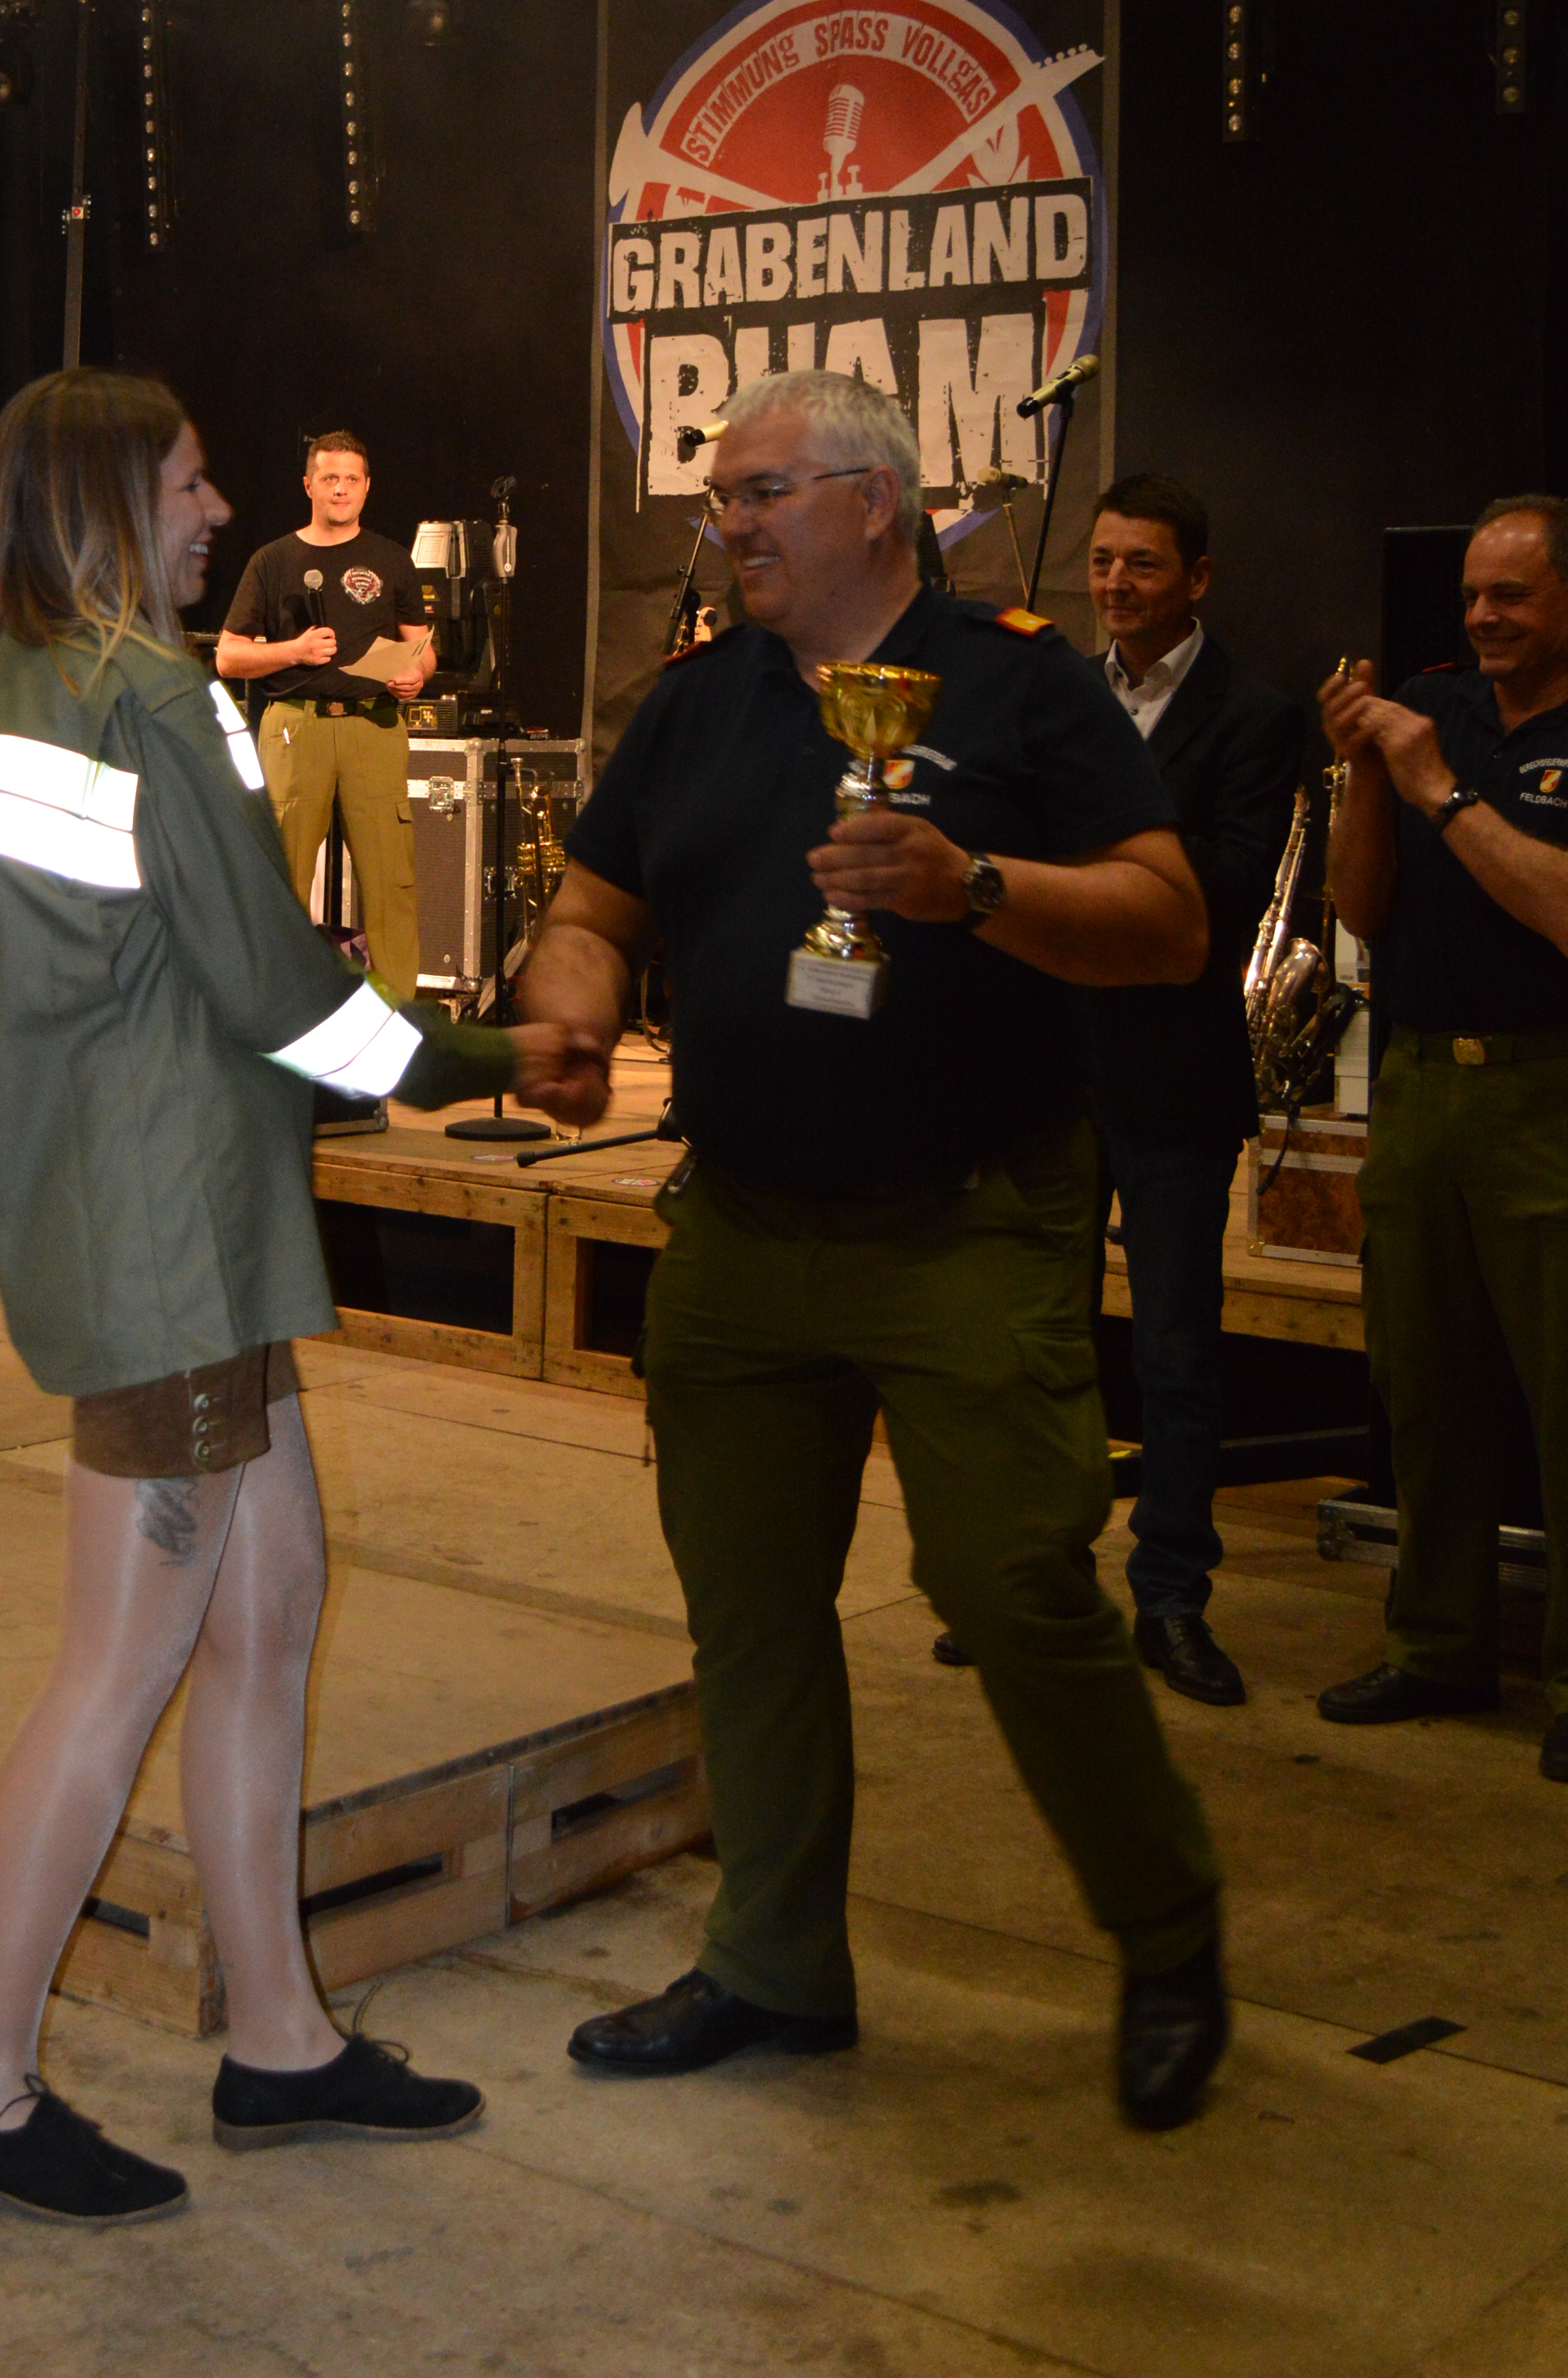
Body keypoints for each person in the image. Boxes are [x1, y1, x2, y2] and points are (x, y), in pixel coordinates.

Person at [0, 369, 579, 2222]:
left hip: (155, 1226)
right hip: (178, 1243)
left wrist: (44, 1091)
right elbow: (281, 995)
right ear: (113, 500)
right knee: (120, 1673)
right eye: (186, 481)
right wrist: (497, 1059)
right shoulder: (163, 700)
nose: (215, 506)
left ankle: (283, 2041)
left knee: (274, 1606)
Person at [517, 368, 1229, 2131]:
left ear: (873, 501)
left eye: (761, 493)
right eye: (719, 500)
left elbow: (1167, 923)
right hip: (742, 1225)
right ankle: (773, 1964)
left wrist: (970, 885)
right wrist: (573, 1001)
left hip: (965, 1225)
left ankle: (1165, 1931)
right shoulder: (697, 697)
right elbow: (594, 901)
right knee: (747, 1610)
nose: (729, 525)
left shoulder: (1021, 682)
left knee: (1012, 1589)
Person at [1316, 493, 1568, 1784]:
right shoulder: (1434, 705)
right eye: (1473, 593)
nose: (1482, 616)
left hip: (1546, 1094)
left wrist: (1432, 783)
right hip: (1417, 1085)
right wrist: (1368, 772)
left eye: (1511, 594)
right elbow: (1360, 908)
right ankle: (1437, 1643)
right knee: (1426, 1387)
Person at [1081, 471, 1308, 1708]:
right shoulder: (1064, 694)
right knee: (1043, 1344)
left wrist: (1080, 881)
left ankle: (1171, 1596)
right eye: (1104, 561)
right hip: (1053, 1071)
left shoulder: (1255, 714)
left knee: (1175, 1354)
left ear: (1198, 578)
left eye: (1144, 564)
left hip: (1174, 1071)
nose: (1117, 584)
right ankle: (1047, 1584)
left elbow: (1224, 889)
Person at [216, 432, 431, 999]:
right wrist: (294, 651)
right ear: (309, 485)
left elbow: (422, 646)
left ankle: (398, 1018)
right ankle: (276, 1012)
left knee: (390, 879)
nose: (341, 489)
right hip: (296, 725)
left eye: (351, 479)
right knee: (280, 876)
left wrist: (416, 674)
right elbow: (228, 656)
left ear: (367, 487)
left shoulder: (392, 559)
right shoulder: (273, 561)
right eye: (330, 478)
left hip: (373, 727)